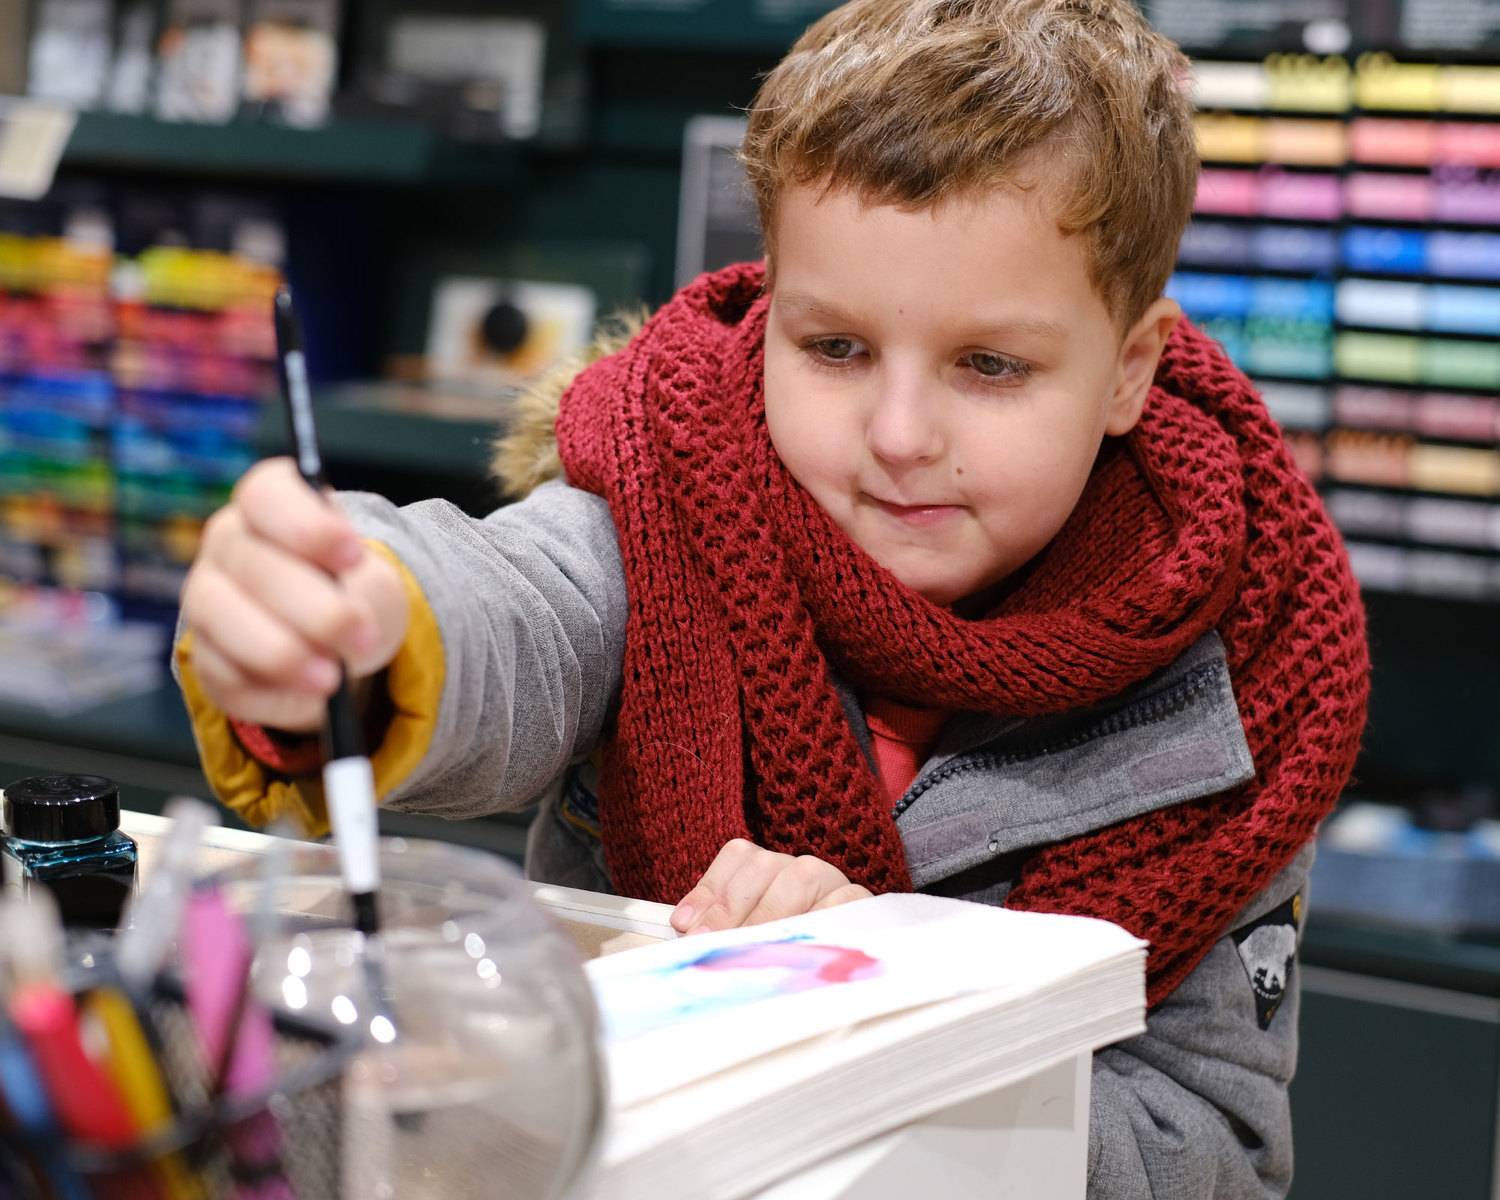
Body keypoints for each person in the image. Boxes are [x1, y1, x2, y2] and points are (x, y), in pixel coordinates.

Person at [173, 0, 1370, 1194]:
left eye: (990, 365)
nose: (899, 436)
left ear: (1129, 370)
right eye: (835, 349)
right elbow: (515, 606)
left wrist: (888, 1011)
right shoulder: (670, 490)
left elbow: (1209, 1152)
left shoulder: (1239, 671)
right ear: (771, 313)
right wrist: (361, 615)